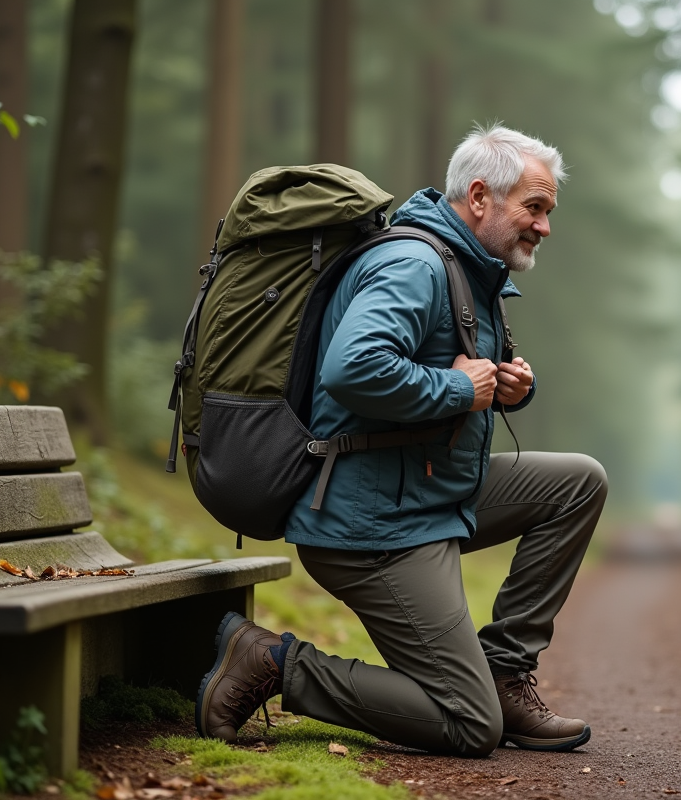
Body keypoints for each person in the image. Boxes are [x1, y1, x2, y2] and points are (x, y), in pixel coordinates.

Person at [195, 124, 608, 756]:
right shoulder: (414, 265)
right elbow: (352, 369)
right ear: (480, 197)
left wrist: (503, 387)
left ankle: (504, 674)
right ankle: (273, 663)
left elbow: (439, 372)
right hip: (371, 528)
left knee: (577, 484)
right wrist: (458, 389)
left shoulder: (467, 267)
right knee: (469, 725)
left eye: (547, 211)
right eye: (534, 207)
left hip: (424, 491)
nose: (544, 226)